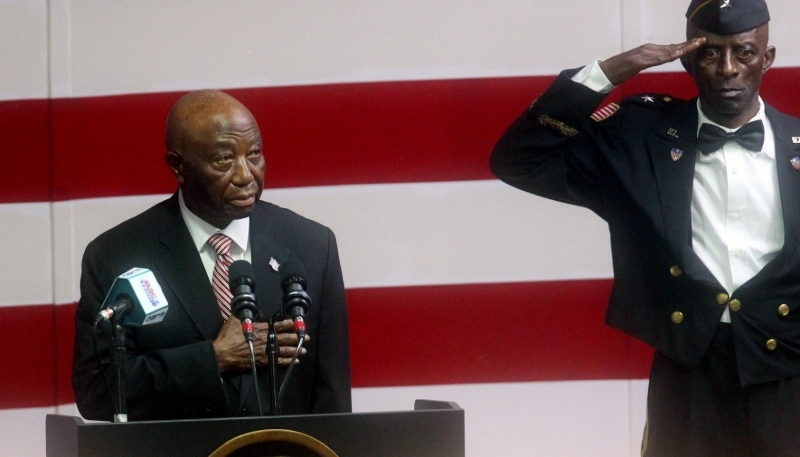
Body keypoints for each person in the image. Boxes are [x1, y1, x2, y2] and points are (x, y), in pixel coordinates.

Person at [491, 0, 800, 455]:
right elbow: (518, 159)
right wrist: (613, 70)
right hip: (688, 373)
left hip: (789, 377)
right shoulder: (638, 141)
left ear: (767, 58)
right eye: (711, 53)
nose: (728, 68)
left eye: (744, 52)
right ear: (690, 59)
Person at [72, 90, 351, 421]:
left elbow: (332, 401)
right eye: (224, 159)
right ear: (179, 166)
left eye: (255, 155)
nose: (246, 175)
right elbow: (97, 392)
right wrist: (213, 358)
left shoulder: (313, 245)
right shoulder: (118, 253)